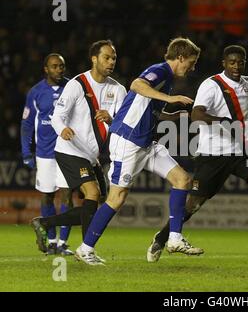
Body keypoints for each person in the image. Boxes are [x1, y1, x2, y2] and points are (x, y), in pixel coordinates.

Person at [147, 45, 248, 263]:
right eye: (232, 62)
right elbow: (197, 114)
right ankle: (161, 238)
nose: (236, 66)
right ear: (224, 63)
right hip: (213, 153)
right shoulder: (211, 85)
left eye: (240, 62)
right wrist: (222, 122)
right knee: (193, 205)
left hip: (241, 150)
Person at [74, 37, 204, 265]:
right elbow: (137, 85)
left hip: (147, 143)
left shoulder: (169, 78)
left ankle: (174, 238)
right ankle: (85, 249)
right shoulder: (160, 70)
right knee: (116, 198)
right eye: (191, 62)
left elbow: (147, 108)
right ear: (181, 57)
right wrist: (170, 98)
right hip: (129, 141)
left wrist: (171, 115)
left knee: (182, 179)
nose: (192, 68)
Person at [30, 40, 127, 256]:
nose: (111, 62)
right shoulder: (77, 84)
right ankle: (86, 251)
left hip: (92, 156)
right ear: (94, 58)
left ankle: (45, 224)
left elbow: (123, 124)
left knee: (96, 204)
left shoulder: (118, 89)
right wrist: (62, 129)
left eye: (114, 58)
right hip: (69, 149)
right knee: (91, 193)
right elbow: (57, 117)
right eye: (106, 57)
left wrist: (111, 119)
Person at [21, 53, 74, 255]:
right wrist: (27, 152)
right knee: (47, 196)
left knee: (68, 197)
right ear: (46, 69)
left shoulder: (72, 88)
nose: (59, 70)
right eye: (54, 66)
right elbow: (26, 124)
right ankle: (51, 241)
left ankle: (63, 243)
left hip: (68, 151)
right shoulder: (35, 92)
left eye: (62, 66)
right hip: (45, 154)